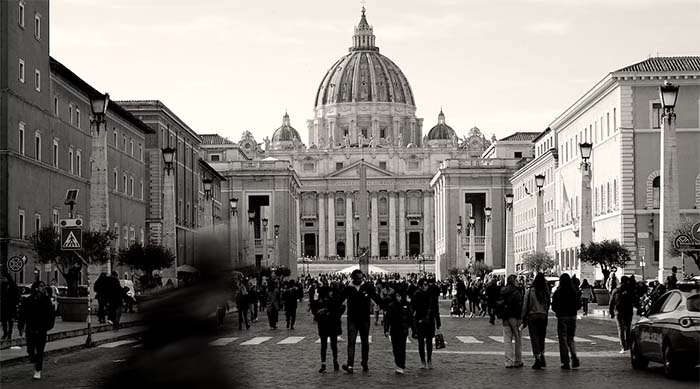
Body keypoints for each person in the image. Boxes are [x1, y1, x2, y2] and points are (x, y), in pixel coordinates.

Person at [338, 269, 383, 374]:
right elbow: (339, 300)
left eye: (361, 278)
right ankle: (350, 365)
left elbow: (376, 297)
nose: (360, 279)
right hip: (352, 318)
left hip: (364, 318)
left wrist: (386, 306)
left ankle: (365, 363)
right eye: (358, 278)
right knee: (351, 342)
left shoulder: (367, 287)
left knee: (365, 342)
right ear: (353, 278)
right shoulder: (348, 288)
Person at [18, 281, 55, 380]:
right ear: (36, 288)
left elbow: (51, 314)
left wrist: (49, 325)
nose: (43, 288)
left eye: (44, 286)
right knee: (30, 349)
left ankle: (38, 370)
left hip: (42, 329)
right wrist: (20, 327)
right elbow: (22, 314)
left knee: (40, 350)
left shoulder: (46, 300)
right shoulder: (28, 300)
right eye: (41, 286)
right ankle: (33, 358)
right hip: (30, 328)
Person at [551, 273, 581, 370]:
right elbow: (579, 304)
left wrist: (558, 311)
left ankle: (565, 361)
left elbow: (554, 305)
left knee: (563, 339)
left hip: (562, 317)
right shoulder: (573, 292)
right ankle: (574, 355)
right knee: (570, 338)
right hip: (572, 316)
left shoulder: (558, 292)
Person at [521, 272, 550, 369]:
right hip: (543, 315)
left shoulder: (530, 291)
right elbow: (548, 304)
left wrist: (523, 317)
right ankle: (542, 354)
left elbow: (525, 305)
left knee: (535, 338)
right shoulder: (546, 292)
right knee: (542, 337)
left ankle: (537, 357)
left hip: (532, 316)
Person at [412, 278, 441, 369]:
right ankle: (423, 361)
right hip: (420, 321)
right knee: (421, 342)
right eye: (424, 284)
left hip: (429, 320)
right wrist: (412, 324)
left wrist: (438, 321)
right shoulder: (416, 294)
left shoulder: (431, 295)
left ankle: (429, 359)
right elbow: (413, 309)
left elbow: (435, 308)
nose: (426, 286)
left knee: (429, 342)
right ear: (420, 285)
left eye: (427, 284)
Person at [385, 288, 414, 375]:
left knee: (402, 348)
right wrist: (386, 329)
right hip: (394, 329)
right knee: (395, 349)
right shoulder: (391, 306)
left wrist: (414, 329)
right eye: (397, 296)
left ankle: (401, 365)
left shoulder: (407, 305)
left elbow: (411, 318)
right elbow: (387, 319)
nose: (398, 298)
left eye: (399, 296)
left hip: (403, 329)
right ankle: (398, 363)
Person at [315, 286, 344, 373]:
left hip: (328, 324)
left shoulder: (327, 301)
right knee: (329, 345)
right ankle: (329, 362)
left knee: (328, 345)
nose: (331, 293)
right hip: (328, 324)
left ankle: (330, 362)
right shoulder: (327, 301)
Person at [498, 274, 523, 368]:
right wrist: (521, 318)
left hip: (505, 317)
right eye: (516, 281)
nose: (518, 282)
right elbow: (519, 305)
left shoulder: (503, 290)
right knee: (518, 339)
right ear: (513, 281)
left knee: (507, 340)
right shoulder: (517, 292)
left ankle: (508, 361)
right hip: (514, 317)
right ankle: (518, 360)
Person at [609, 276, 635, 353]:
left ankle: (623, 347)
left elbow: (611, 303)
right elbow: (634, 301)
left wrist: (611, 313)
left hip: (619, 312)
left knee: (621, 329)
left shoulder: (616, 290)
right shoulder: (630, 290)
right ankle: (628, 345)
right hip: (628, 311)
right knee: (627, 329)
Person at [1, 273, 19, 339]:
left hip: (10, 305)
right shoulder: (2, 285)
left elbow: (16, 295)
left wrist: (16, 303)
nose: (3, 280)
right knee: (3, 320)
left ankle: (9, 333)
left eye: (4, 278)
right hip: (3, 305)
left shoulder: (13, 285)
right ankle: (5, 332)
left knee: (10, 319)